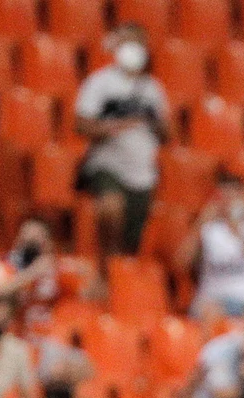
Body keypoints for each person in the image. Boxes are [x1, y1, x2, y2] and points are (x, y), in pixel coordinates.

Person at [75, 25, 171, 256]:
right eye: (128, 42)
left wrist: (151, 121)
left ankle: (119, 273)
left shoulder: (153, 89)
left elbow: (167, 134)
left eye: (138, 43)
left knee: (132, 240)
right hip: (108, 164)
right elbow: (81, 124)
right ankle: (106, 266)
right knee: (111, 207)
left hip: (142, 171)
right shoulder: (100, 82)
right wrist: (113, 127)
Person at [0, 220, 98, 338]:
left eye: (36, 241)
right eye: (27, 241)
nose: (31, 247)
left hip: (51, 333)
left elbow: (91, 295)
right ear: (17, 242)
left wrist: (85, 272)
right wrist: (31, 274)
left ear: (48, 244)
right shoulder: (2, 266)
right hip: (14, 332)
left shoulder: (58, 268)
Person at [179, 171, 244, 319]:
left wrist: (237, 231)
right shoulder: (208, 229)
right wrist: (200, 224)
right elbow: (181, 263)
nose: (229, 202)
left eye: (235, 196)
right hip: (213, 301)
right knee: (210, 312)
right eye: (225, 196)